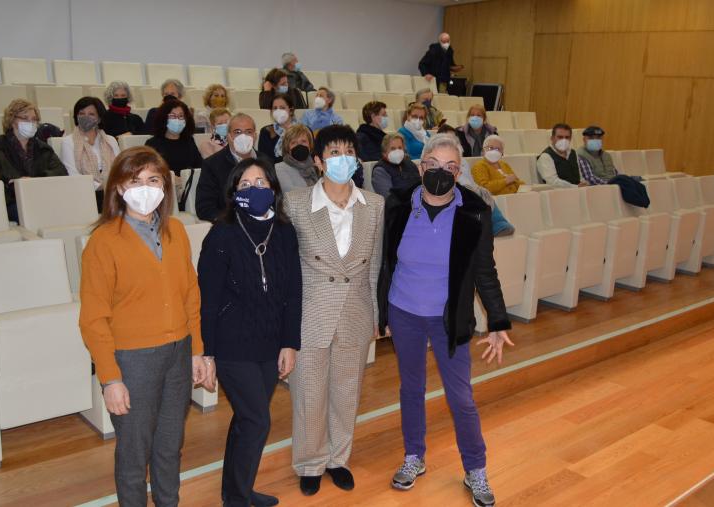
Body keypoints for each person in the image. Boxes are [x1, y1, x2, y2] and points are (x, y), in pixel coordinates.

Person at [377, 134, 511, 507]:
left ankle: (476, 468)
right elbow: (385, 262)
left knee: (461, 397)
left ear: (459, 172)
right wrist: (381, 312)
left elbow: (485, 270)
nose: (441, 172)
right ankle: (414, 456)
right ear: (421, 167)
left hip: (449, 317)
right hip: (404, 311)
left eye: (450, 167)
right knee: (411, 388)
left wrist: (498, 320)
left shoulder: (474, 210)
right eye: (433, 164)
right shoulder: (399, 204)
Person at [79, 146, 207, 507]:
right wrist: (110, 377)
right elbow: (93, 318)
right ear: (119, 188)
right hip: (132, 361)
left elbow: (190, 295)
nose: (146, 188)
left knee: (170, 446)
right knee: (135, 454)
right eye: (135, 181)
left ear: (165, 186)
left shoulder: (176, 231)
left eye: (154, 180)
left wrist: (197, 349)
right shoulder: (103, 242)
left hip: (178, 352)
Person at [283, 125, 384, 497]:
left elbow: (374, 265)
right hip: (311, 312)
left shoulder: (374, 205)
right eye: (334, 153)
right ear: (319, 161)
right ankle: (310, 461)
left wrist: (373, 313)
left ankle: (338, 459)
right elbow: (286, 268)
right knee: (309, 394)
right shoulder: (295, 203)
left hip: (355, 311)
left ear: (357, 159)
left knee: (346, 392)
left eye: (348, 152)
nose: (342, 159)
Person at [198, 157, 301, 507]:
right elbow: (208, 299)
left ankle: (237, 490)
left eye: (261, 183)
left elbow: (293, 292)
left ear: (272, 189)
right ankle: (237, 499)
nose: (254, 190)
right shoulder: (222, 234)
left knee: (246, 419)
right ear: (233, 192)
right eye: (245, 185)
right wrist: (207, 352)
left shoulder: (285, 231)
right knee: (257, 419)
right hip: (232, 344)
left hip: (271, 342)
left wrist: (290, 343)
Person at [0, 99, 66, 222]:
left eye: (34, 119)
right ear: (12, 120)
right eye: (25, 118)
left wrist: (36, 180)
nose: (31, 122)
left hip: (39, 198)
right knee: (35, 214)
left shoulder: (43, 148)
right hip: (9, 202)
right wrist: (9, 180)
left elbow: (61, 172)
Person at [196, 113, 272, 221]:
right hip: (231, 225)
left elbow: (276, 197)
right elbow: (204, 208)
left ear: (255, 135)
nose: (243, 136)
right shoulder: (212, 164)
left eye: (248, 132)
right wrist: (235, 220)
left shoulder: (266, 161)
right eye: (237, 132)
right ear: (229, 136)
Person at [60, 96, 121, 210]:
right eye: (81, 113)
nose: (85, 117)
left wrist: (110, 186)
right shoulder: (68, 142)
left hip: (112, 192)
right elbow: (72, 174)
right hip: (83, 194)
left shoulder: (110, 140)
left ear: (99, 118)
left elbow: (119, 168)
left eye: (91, 114)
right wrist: (100, 187)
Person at [145, 98, 203, 176]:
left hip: (188, 185)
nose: (177, 119)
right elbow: (150, 171)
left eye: (181, 116)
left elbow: (199, 166)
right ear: (164, 118)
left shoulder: (189, 141)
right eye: (172, 116)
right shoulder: (152, 143)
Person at [372, 134, 420, 198]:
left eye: (400, 148)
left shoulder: (410, 164)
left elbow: (420, 186)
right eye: (393, 149)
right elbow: (389, 198)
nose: (397, 151)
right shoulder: (380, 171)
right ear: (384, 152)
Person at [275, 124, 318, 193]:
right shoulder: (280, 167)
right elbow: (290, 192)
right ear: (287, 148)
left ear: (310, 145)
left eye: (303, 141)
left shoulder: (315, 166)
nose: (299, 145)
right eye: (294, 143)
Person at [537, 123, 582, 188]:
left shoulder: (573, 153)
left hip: (578, 190)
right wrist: (575, 187)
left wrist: (584, 183)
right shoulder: (545, 156)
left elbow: (580, 175)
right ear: (552, 138)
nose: (564, 140)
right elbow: (552, 182)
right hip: (558, 194)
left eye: (567, 137)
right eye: (560, 137)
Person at [258, 93, 296, 164]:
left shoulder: (303, 131)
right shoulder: (266, 132)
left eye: (282, 108)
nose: (278, 111)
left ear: (291, 110)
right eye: (275, 108)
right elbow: (264, 161)